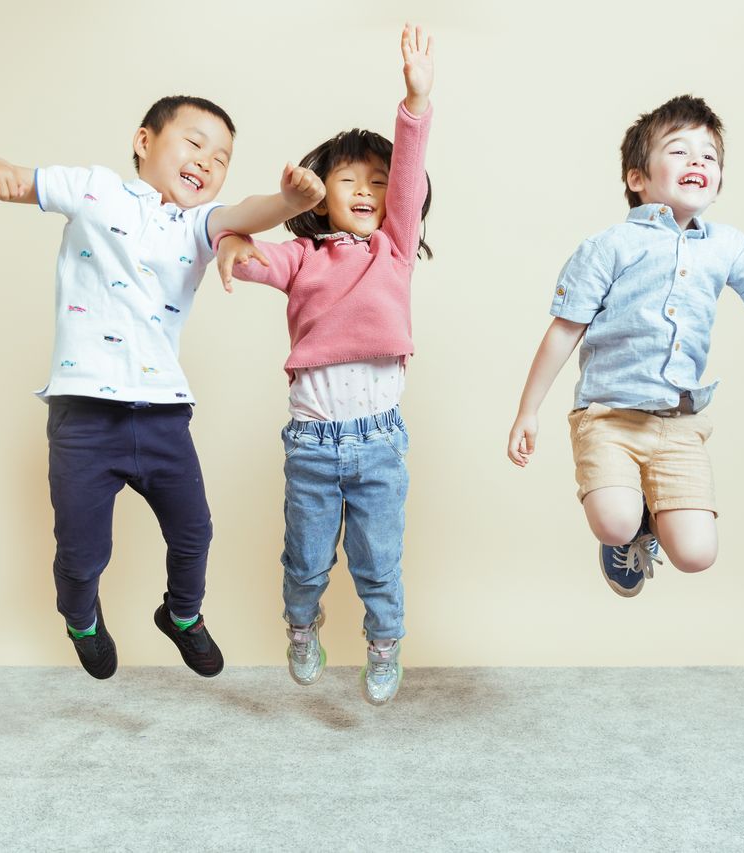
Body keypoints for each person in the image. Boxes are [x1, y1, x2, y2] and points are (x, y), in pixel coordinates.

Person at [0, 95, 325, 679]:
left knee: (195, 532)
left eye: (221, 158)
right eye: (194, 143)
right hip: (84, 416)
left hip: (163, 417)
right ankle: (81, 618)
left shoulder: (197, 226)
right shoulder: (94, 189)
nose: (206, 162)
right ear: (144, 141)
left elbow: (244, 212)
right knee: (82, 553)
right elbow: (13, 175)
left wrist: (287, 201)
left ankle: (182, 615)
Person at [507, 95, 744, 598]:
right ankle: (629, 529)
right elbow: (564, 330)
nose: (698, 161)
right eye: (679, 151)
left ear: (719, 181)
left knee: (698, 554)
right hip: (609, 417)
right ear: (637, 178)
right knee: (614, 521)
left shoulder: (728, 246)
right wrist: (528, 411)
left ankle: (652, 522)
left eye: (709, 155)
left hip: (680, 425)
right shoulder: (609, 247)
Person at [213, 24, 433, 704]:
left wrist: (415, 103)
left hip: (379, 440)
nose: (366, 191)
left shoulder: (393, 249)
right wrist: (229, 242)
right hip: (312, 441)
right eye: (348, 180)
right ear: (323, 195)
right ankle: (302, 625)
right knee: (306, 561)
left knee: (378, 560)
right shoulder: (302, 257)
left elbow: (404, 182)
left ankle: (385, 642)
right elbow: (246, 252)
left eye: (377, 181)